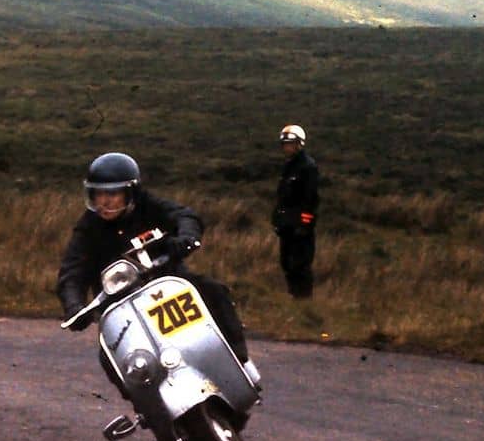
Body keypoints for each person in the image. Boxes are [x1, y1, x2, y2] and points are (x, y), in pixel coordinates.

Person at [57, 152, 250, 394]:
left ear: (131, 193)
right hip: (123, 307)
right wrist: (74, 306)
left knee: (214, 291)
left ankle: (240, 364)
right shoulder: (88, 228)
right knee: (110, 357)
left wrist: (186, 238)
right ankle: (148, 409)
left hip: (169, 283)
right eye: (98, 194)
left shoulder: (150, 207)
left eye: (112, 194)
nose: (103, 202)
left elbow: (184, 215)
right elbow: (71, 271)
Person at [272, 124, 319, 298]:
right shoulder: (289, 166)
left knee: (300, 264)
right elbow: (282, 197)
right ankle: (293, 295)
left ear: (299, 144)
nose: (287, 147)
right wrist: (277, 220)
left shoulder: (308, 167)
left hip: (300, 226)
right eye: (284, 144)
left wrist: (304, 225)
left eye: (290, 144)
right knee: (286, 262)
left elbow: (310, 199)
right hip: (286, 224)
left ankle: (304, 299)